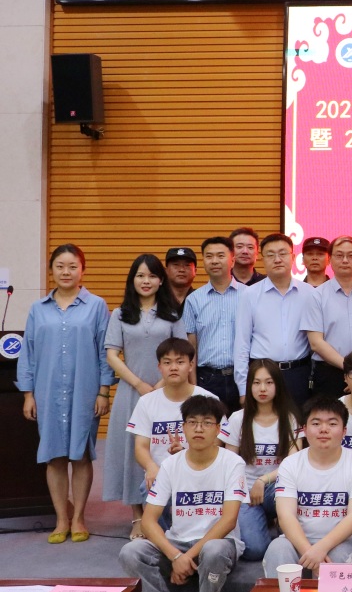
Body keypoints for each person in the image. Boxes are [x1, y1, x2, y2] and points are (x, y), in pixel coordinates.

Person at [18, 243, 110, 545]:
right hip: (47, 392)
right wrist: (28, 393)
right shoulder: (38, 309)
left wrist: (104, 391)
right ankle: (61, 518)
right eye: (60, 266)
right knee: (54, 456)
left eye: (72, 266)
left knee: (81, 455)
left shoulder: (96, 306)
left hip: (85, 391)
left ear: (83, 270)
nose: (66, 272)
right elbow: (28, 353)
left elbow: (105, 351)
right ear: (51, 271)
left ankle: (79, 517)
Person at [119, 395, 246, 592]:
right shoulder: (170, 464)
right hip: (177, 543)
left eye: (207, 423)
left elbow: (229, 520)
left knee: (214, 551)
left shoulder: (232, 463)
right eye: (192, 422)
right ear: (184, 427)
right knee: (131, 552)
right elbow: (148, 521)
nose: (198, 429)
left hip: (217, 543)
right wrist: (176, 555)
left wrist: (186, 557)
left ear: (218, 429)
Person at [103, 253, 188, 540]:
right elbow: (112, 355)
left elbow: (183, 351)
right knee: (134, 452)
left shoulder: (172, 313)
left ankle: (168, 513)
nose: (146, 281)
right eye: (140, 275)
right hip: (132, 392)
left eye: (152, 275)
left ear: (161, 280)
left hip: (169, 391)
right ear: (132, 280)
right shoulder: (120, 314)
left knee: (165, 449)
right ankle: (138, 517)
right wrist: (140, 384)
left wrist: (162, 383)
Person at [264, 398, 352, 577]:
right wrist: (309, 551)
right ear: (304, 429)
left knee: (337, 558)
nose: (324, 429)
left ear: (344, 431)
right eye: (316, 423)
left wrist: (321, 549)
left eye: (332, 424)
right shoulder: (290, 464)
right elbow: (286, 516)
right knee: (277, 548)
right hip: (298, 541)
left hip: (344, 542)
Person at [125, 339, 219, 539]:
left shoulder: (208, 400)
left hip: (201, 474)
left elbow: (217, 445)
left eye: (180, 362)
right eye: (167, 362)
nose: (173, 367)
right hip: (162, 475)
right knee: (150, 486)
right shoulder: (146, 402)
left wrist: (186, 455)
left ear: (191, 365)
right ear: (159, 367)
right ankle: (166, 539)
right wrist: (151, 467)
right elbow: (140, 447)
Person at [220, 359, 301, 561]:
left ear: (278, 385)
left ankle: (281, 523)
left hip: (277, 488)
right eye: (256, 383)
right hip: (247, 493)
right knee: (254, 550)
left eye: (268, 382)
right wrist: (245, 489)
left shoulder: (290, 418)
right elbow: (230, 463)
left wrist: (263, 480)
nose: (262, 388)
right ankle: (266, 522)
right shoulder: (238, 419)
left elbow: (294, 463)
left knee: (290, 494)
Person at [234, 233, 317, 408]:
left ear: (293, 257)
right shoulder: (249, 294)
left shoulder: (309, 293)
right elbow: (242, 344)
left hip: (298, 374)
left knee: (297, 423)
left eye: (283, 253)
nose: (277, 259)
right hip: (262, 375)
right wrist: (243, 388)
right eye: (270, 255)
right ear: (262, 259)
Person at [304, 236, 352, 400]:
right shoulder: (316, 295)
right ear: (330, 259)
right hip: (328, 372)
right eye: (339, 255)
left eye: (351, 255)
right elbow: (316, 342)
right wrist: (350, 369)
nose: (345, 260)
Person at [186, 237, 245, 414]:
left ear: (232, 260)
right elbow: (191, 348)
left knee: (242, 428)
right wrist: (194, 387)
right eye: (209, 256)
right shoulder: (194, 300)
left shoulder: (249, 295)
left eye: (220, 255)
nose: (214, 261)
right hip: (207, 379)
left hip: (242, 377)